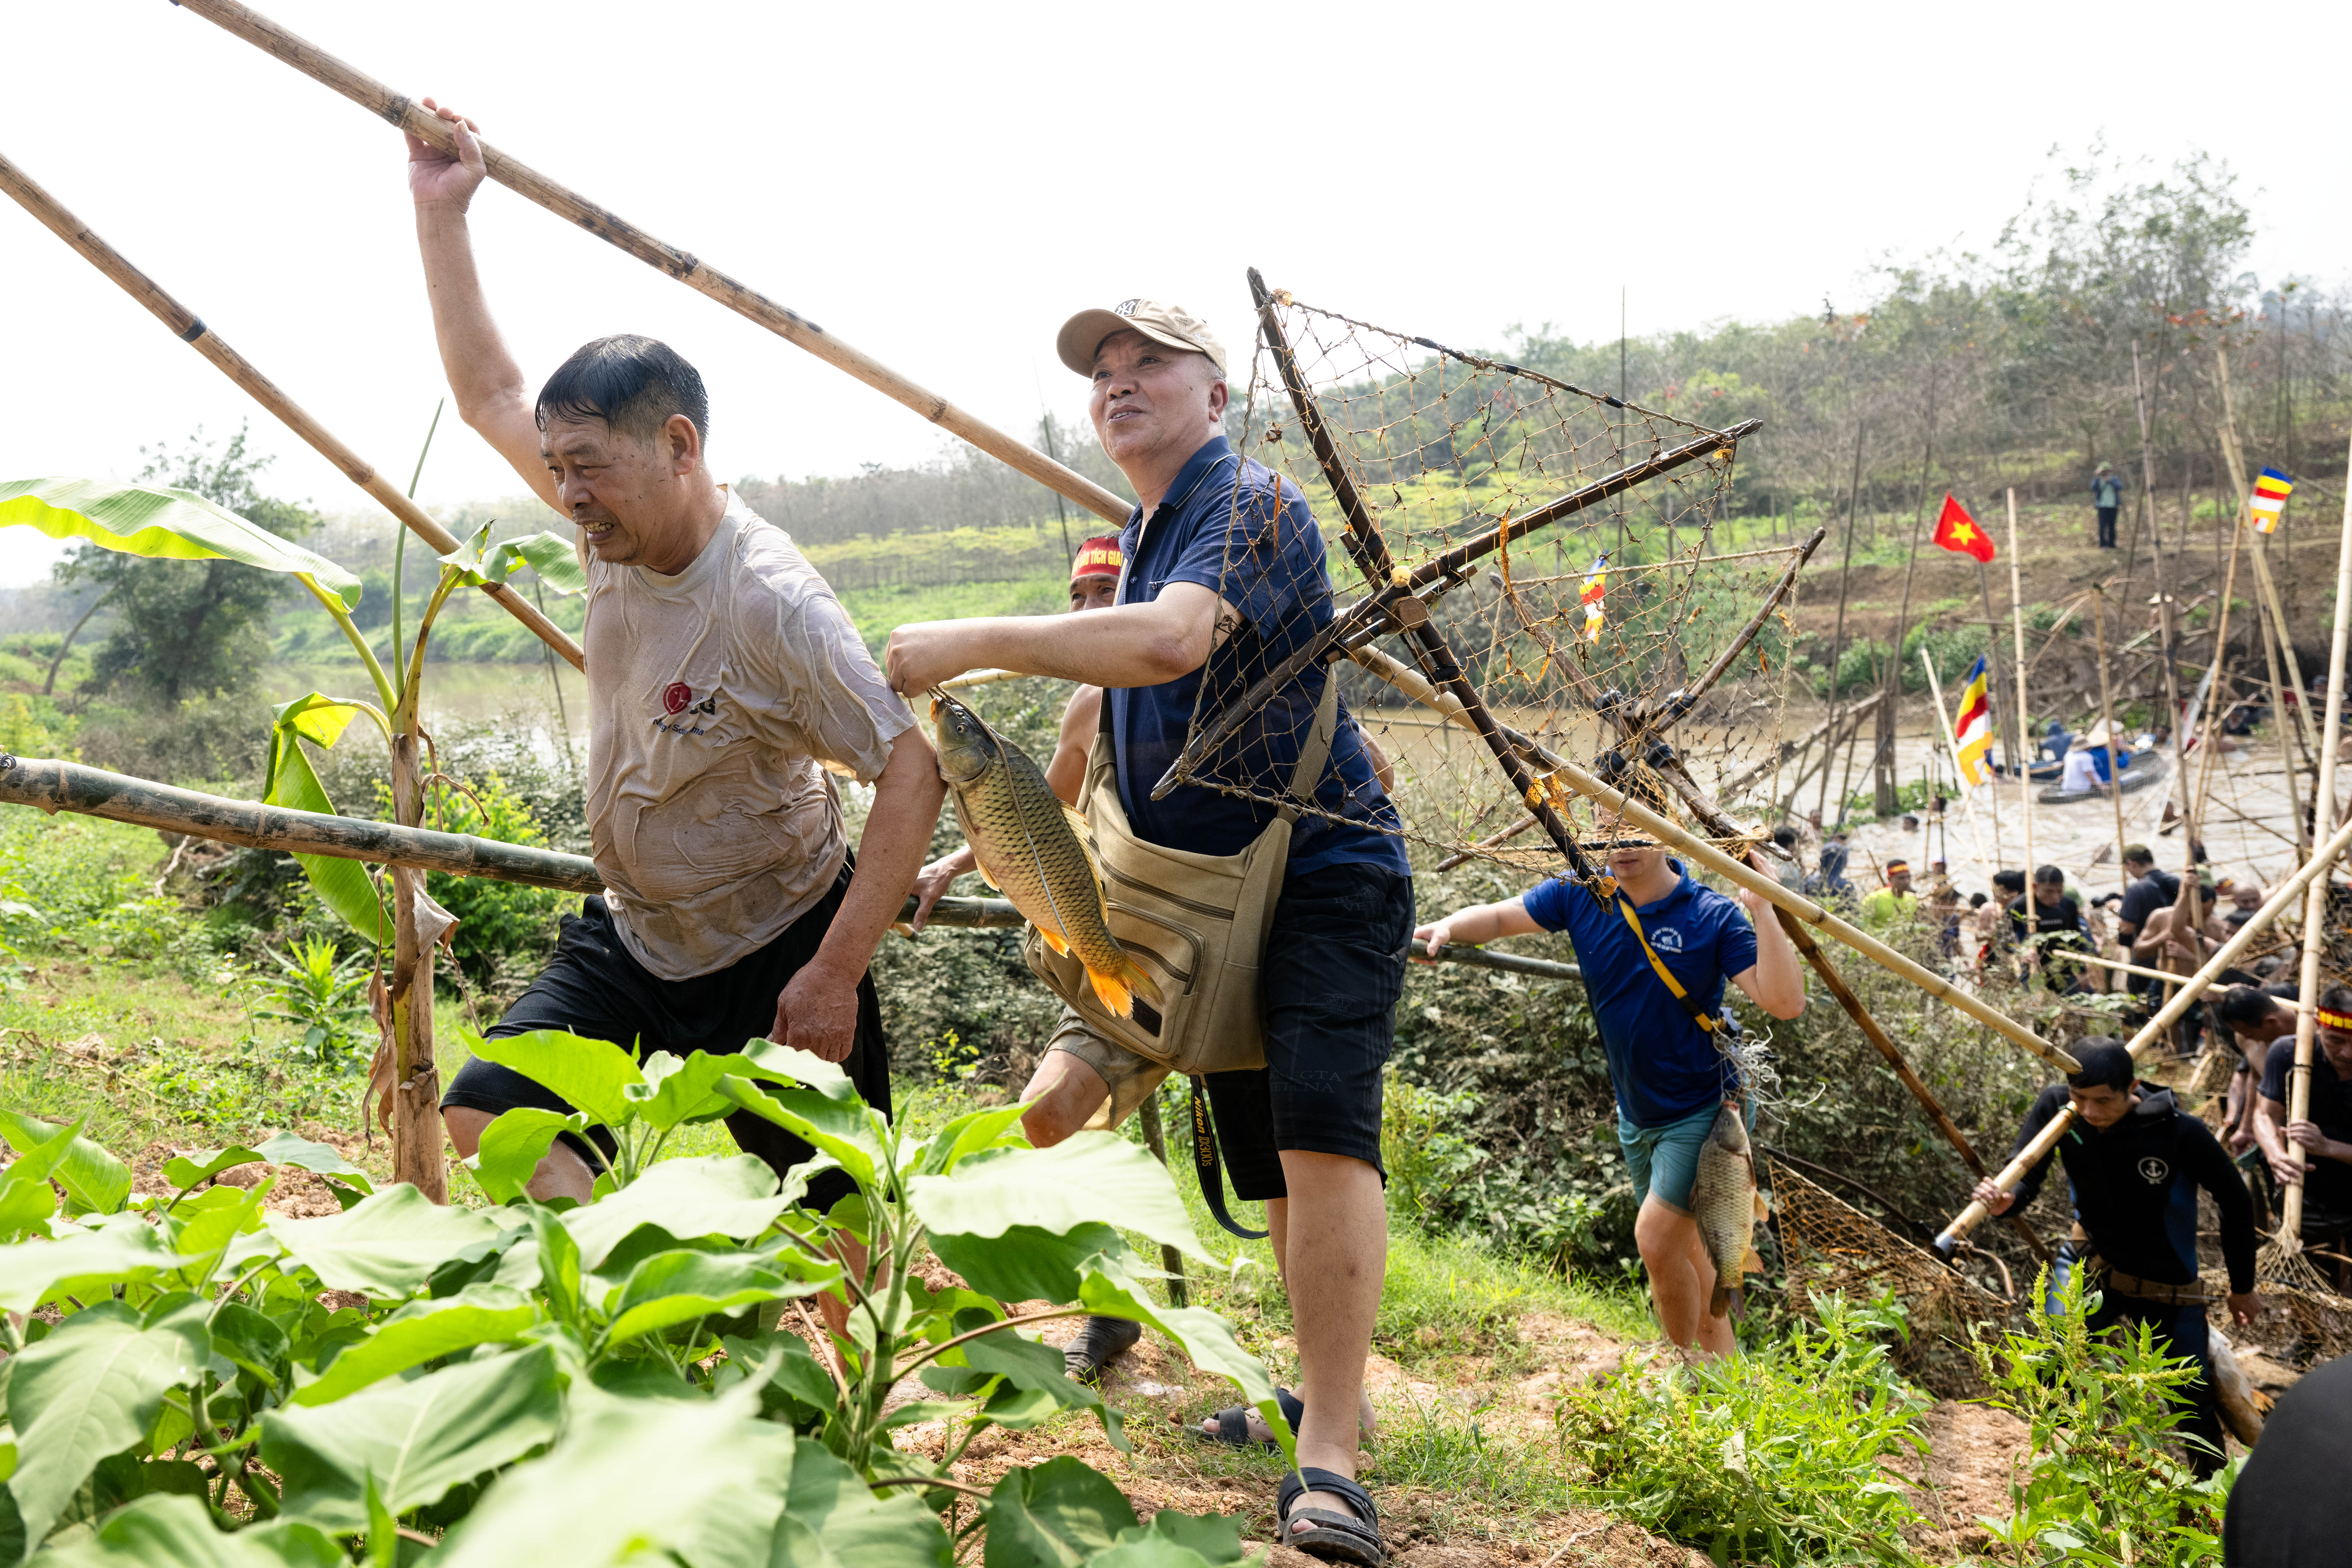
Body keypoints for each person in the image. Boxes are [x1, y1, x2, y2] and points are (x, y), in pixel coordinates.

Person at [883, 298, 1409, 1561]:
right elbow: (1089, 743)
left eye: (1148, 363)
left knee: (1318, 1134)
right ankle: (1285, 1378)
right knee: (1255, 1163)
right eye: (1102, 370)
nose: (1119, 382)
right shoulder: (1144, 532)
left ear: (1213, 395)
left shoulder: (1253, 506)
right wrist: (972, 846)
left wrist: (972, 644)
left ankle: (1330, 1453)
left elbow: (1172, 644)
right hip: (1188, 895)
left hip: (1322, 865)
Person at [402, 104, 944, 1240]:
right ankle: (628, 1312)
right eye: (558, 469)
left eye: (588, 466)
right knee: (492, 1115)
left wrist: (837, 969)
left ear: (680, 446)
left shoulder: (771, 602)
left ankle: (853, 1401)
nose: (569, 492)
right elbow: (488, 396)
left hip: (779, 941)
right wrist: (441, 211)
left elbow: (910, 766)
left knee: (842, 1228)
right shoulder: (604, 528)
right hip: (638, 933)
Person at [903, 535, 1392, 1383]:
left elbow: (1367, 780)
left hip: (1242, 969)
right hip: (1122, 961)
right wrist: (952, 862)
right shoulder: (1087, 710)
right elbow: (1037, 814)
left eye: (1111, 591)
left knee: (1288, 1185)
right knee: (1044, 1120)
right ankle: (1101, 1307)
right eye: (1081, 595)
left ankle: (1331, 1401)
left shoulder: (1256, 684)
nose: (1093, 609)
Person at [1412, 811, 1805, 1360]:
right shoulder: (1581, 894)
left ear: (1666, 832)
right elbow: (1500, 920)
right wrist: (1448, 927)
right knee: (1690, 1257)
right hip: (1638, 1113)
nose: (1619, 849)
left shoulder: (1710, 915)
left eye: (1635, 834)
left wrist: (1762, 906)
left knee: (1654, 1240)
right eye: (1606, 835)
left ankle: (1682, 1367)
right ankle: (1724, 1380)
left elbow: (1784, 1002)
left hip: (1706, 1111)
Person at [1971, 1040, 2259, 1476]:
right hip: (2092, 1263)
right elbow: (2024, 1177)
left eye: (2103, 1100)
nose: (2088, 1110)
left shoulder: (2177, 1130)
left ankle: (2212, 1504)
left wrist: (2242, 1286)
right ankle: (2065, 1474)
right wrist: (2006, 1200)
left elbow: (2236, 1201)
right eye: (2079, 1097)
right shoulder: (2058, 1108)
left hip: (2167, 1281)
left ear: (2132, 1088)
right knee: (2053, 1367)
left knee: (2189, 1399)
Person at [2253, 986, 2352, 1289]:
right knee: (2314, 1275)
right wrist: (2275, 1154)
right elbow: (2265, 1114)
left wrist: (2328, 1147)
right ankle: (2313, 1335)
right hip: (2307, 1188)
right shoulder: (2288, 1053)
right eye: (2336, 1041)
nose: (2348, 1054)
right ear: (2316, 1027)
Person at [2009, 865, 2092, 991]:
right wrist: (2021, 952)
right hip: (2034, 970)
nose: (2056, 897)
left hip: (2064, 970)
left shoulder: (2068, 905)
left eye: (2060, 891)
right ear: (2035, 887)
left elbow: (2077, 940)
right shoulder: (2020, 906)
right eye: (2049, 892)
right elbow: (2004, 936)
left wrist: (2082, 971)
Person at [1859, 858, 1917, 928]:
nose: (1907, 882)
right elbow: (1863, 928)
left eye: (1909, 877)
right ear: (1890, 879)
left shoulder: (1912, 900)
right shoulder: (1873, 899)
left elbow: (1913, 928)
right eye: (1901, 878)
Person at [2091, 462, 2124, 549]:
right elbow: (2092, 488)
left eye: (2107, 471)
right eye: (2103, 472)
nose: (2105, 473)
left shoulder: (2114, 479)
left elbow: (2119, 487)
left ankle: (2112, 544)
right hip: (2102, 506)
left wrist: (2110, 481)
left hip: (2113, 506)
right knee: (2102, 526)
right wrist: (2096, 476)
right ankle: (2103, 545)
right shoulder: (2098, 480)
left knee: (2112, 525)